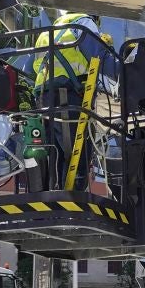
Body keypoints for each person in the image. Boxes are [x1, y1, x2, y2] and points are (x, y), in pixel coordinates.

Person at [32, 13, 115, 191]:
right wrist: (123, 75)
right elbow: (99, 56)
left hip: (42, 95)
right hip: (65, 93)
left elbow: (34, 65)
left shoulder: (49, 31)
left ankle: (51, 194)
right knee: (77, 152)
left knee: (53, 149)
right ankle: (73, 196)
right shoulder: (84, 22)